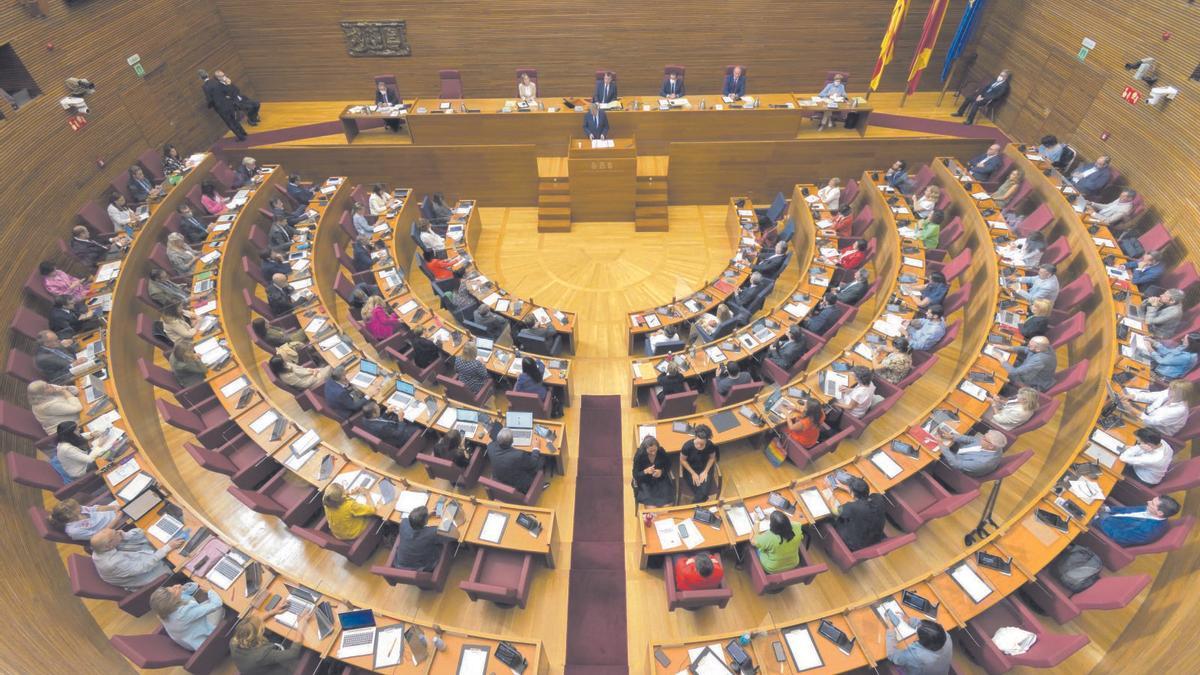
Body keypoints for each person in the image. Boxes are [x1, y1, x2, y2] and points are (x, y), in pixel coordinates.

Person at [90, 528, 183, 591]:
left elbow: (140, 531)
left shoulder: (99, 549)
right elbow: (143, 567)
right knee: (179, 560)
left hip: (137, 562)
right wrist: (167, 548)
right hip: (145, 576)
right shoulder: (113, 563)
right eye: (116, 534)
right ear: (109, 545)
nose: (119, 532)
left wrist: (125, 535)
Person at [230, 610, 310, 675]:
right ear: (258, 635)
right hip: (274, 671)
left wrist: (273, 612)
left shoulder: (234, 641)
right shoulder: (262, 654)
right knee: (306, 647)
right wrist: (300, 626)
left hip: (255, 668)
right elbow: (293, 653)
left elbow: (251, 625)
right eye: (262, 629)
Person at [151, 582, 225, 651]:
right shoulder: (183, 614)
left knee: (207, 600)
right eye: (173, 590)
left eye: (170, 587)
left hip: (188, 637)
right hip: (202, 640)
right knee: (221, 606)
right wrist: (210, 590)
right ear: (172, 601)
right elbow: (216, 604)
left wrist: (183, 588)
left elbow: (188, 592)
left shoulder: (162, 610)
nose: (176, 586)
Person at [1092, 496, 1180, 547]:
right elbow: (1127, 510)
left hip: (1104, 531)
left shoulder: (1148, 531)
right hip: (1109, 518)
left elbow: (1118, 536)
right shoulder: (1150, 510)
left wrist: (1099, 518)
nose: (1148, 502)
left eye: (1152, 503)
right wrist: (1107, 509)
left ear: (1159, 513)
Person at [830, 476, 886, 550]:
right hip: (875, 538)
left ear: (852, 494)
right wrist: (849, 489)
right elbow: (865, 496)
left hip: (856, 543)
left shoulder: (852, 507)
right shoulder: (878, 497)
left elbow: (834, 511)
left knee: (832, 518)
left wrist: (831, 498)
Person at [1123, 379, 1192, 436]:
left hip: (1155, 430)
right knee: (1122, 407)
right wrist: (1133, 396)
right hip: (1147, 415)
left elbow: (1152, 421)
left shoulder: (1179, 410)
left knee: (1123, 425)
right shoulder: (1172, 394)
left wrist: (1132, 410)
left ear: (1179, 394)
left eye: (1171, 389)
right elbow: (1152, 396)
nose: (1168, 390)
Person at [887, 619, 953, 675]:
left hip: (919, 670)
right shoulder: (946, 636)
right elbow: (927, 626)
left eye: (917, 635)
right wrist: (909, 620)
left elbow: (892, 655)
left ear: (921, 641)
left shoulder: (915, 656)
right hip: (941, 671)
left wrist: (891, 630)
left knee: (894, 663)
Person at [487, 428, 543, 493]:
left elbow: (491, 443)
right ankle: (539, 485)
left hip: (500, 478)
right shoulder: (519, 455)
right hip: (519, 484)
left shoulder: (490, 447)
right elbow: (533, 464)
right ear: (512, 441)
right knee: (542, 459)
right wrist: (536, 448)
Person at [938, 428, 1008, 476]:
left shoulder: (982, 463)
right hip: (963, 453)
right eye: (984, 436)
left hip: (959, 466)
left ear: (991, 446)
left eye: (984, 438)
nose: (981, 438)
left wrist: (942, 446)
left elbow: (956, 464)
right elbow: (971, 439)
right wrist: (952, 437)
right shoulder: (996, 446)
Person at [393, 506, 442, 571]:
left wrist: (427, 517)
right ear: (426, 521)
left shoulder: (404, 522)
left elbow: (412, 521)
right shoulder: (431, 533)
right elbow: (450, 537)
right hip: (420, 567)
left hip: (399, 564)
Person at [680, 425, 719, 502]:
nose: (699, 446)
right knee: (702, 491)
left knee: (703, 490)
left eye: (702, 444)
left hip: (705, 467)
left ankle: (693, 506)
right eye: (698, 443)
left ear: (707, 440)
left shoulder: (710, 445)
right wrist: (693, 473)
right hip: (691, 469)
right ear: (695, 437)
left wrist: (705, 471)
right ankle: (701, 501)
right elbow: (683, 460)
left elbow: (712, 458)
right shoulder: (687, 446)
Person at [632, 435, 674, 506]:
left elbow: (668, 464)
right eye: (650, 451)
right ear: (645, 449)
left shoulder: (661, 451)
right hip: (646, 482)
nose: (653, 453)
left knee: (667, 504)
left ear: (657, 446)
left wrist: (661, 471)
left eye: (655, 450)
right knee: (651, 506)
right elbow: (635, 474)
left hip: (661, 480)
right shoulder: (639, 455)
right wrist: (645, 471)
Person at [50, 498, 120, 541]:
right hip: (116, 524)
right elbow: (100, 536)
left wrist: (113, 507)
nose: (80, 506)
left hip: (114, 513)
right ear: (70, 515)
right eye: (77, 507)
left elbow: (96, 508)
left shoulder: (78, 510)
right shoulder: (74, 531)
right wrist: (117, 518)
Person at [206, 70, 247, 141]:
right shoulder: (219, 85)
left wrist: (229, 84)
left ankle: (242, 134)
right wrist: (228, 85)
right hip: (229, 104)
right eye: (221, 76)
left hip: (230, 104)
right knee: (231, 122)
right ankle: (241, 135)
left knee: (233, 121)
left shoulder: (226, 82)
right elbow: (227, 93)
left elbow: (236, 90)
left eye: (223, 74)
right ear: (218, 78)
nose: (224, 76)